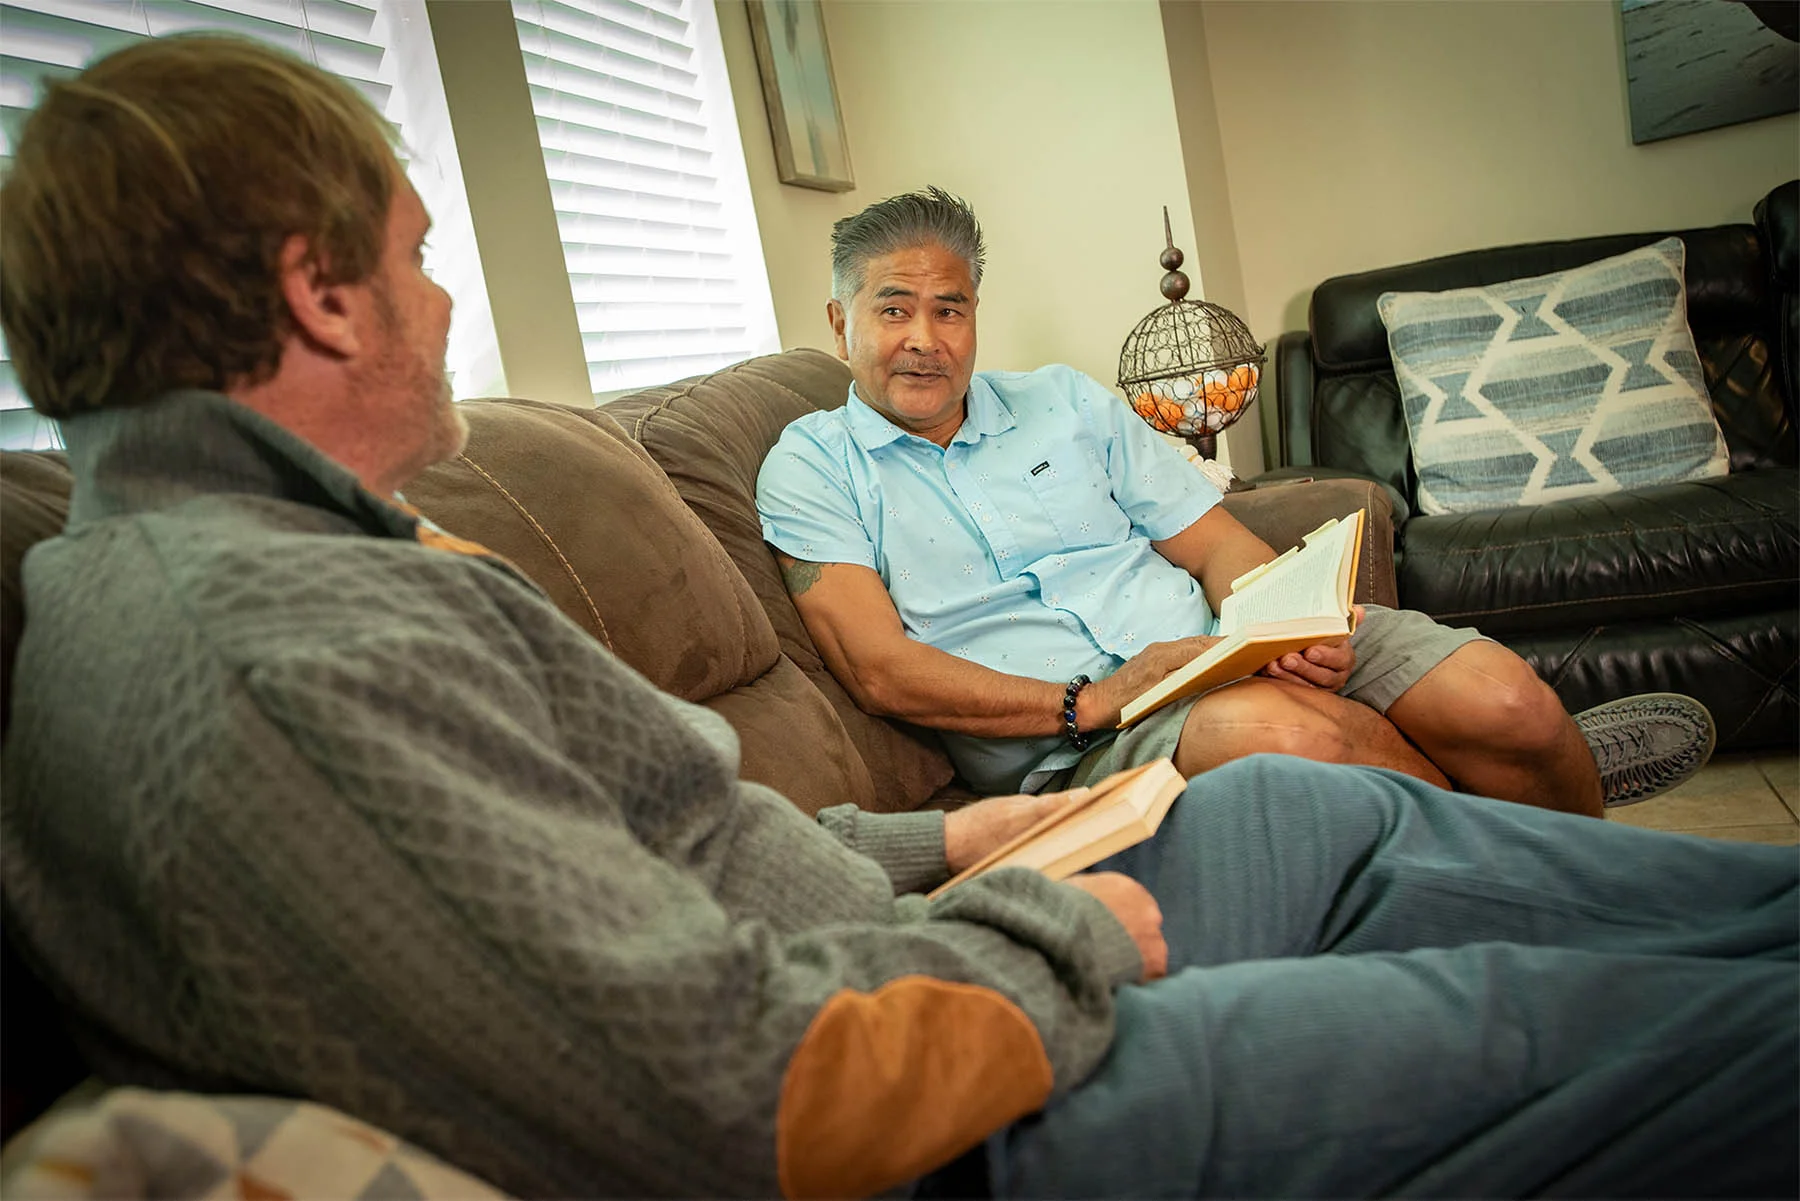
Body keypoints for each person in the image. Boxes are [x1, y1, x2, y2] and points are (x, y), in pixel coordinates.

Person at [2, 35, 1794, 1201]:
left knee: (1328, 821)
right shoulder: (269, 657)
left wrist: (942, 838)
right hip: (945, 1094)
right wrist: (1044, 928)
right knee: (1542, 1024)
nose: (445, 299)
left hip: (913, 919)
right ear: (321, 298)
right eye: (414, 255)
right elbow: (721, 1087)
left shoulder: (291, 561)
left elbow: (664, 846)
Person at [755, 188, 1716, 816]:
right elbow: (881, 670)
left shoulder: (1064, 402)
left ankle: (1546, 779)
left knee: (1509, 699)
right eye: (893, 308)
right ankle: (1536, 819)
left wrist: (1281, 622)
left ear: (974, 316)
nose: (925, 338)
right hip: (1086, 736)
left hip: (1222, 643)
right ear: (841, 321)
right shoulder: (813, 467)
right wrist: (1094, 698)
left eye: (950, 308)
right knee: (1289, 737)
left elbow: (1217, 545)